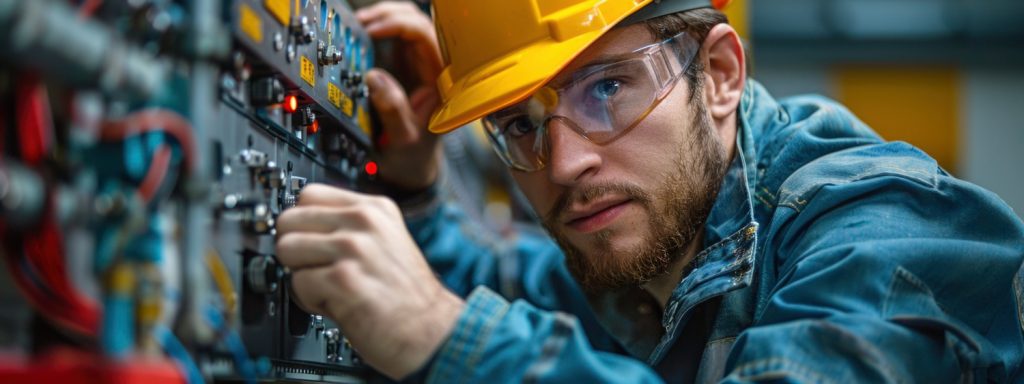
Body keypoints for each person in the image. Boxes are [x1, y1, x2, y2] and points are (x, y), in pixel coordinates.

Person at [274, 0, 1024, 381]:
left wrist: (448, 340)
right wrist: (416, 189)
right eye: (520, 124)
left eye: (607, 88)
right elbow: (502, 282)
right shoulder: (651, 251)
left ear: (719, 75)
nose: (564, 164)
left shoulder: (886, 230)